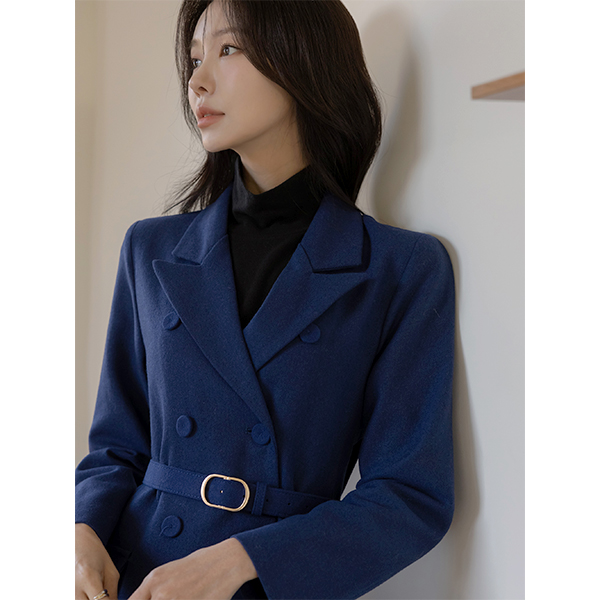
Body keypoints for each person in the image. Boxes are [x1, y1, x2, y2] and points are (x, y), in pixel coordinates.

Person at [75, 0, 456, 599]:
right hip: (132, 576)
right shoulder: (151, 249)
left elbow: (410, 497)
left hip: (270, 582)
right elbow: (116, 446)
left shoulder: (400, 268)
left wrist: (238, 560)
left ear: (304, 61)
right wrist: (81, 530)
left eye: (228, 49)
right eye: (194, 58)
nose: (197, 80)